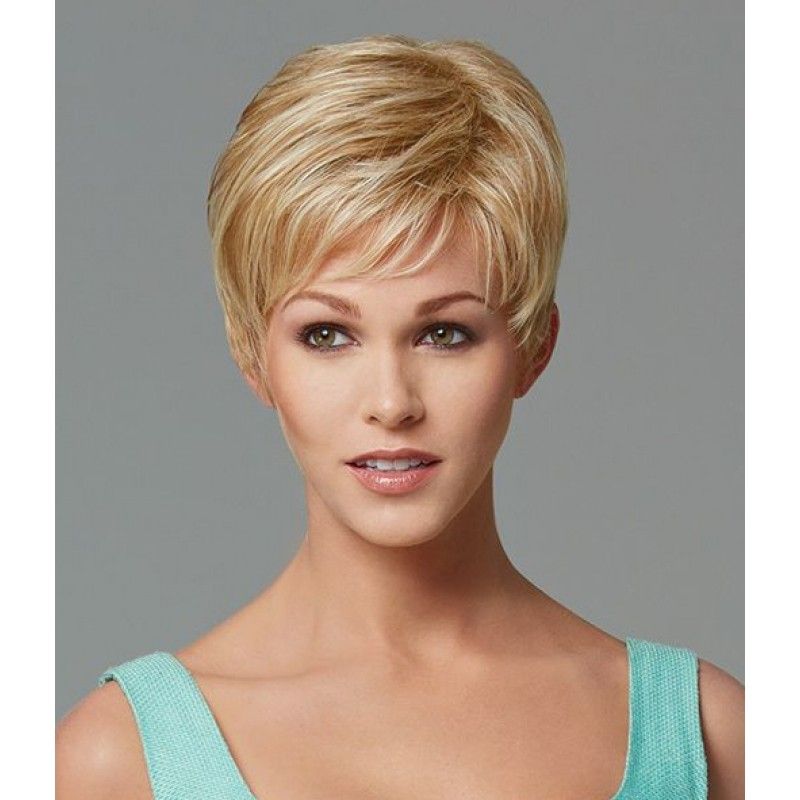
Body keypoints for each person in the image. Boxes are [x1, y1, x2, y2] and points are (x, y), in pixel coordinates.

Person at [56, 34, 744, 800]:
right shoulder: (118, 760)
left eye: (444, 334)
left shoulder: (711, 739)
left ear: (532, 348)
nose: (391, 403)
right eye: (327, 335)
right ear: (253, 354)